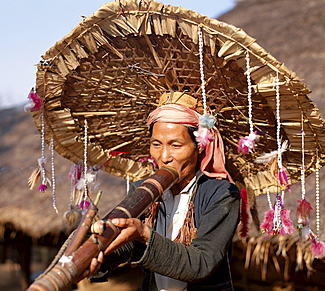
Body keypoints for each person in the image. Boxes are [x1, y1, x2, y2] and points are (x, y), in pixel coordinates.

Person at [79, 93, 241, 290]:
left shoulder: (222, 193)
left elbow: (201, 264)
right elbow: (131, 245)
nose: (164, 157)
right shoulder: (142, 189)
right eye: (156, 144)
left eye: (176, 145)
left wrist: (143, 234)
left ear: (199, 146)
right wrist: (99, 255)